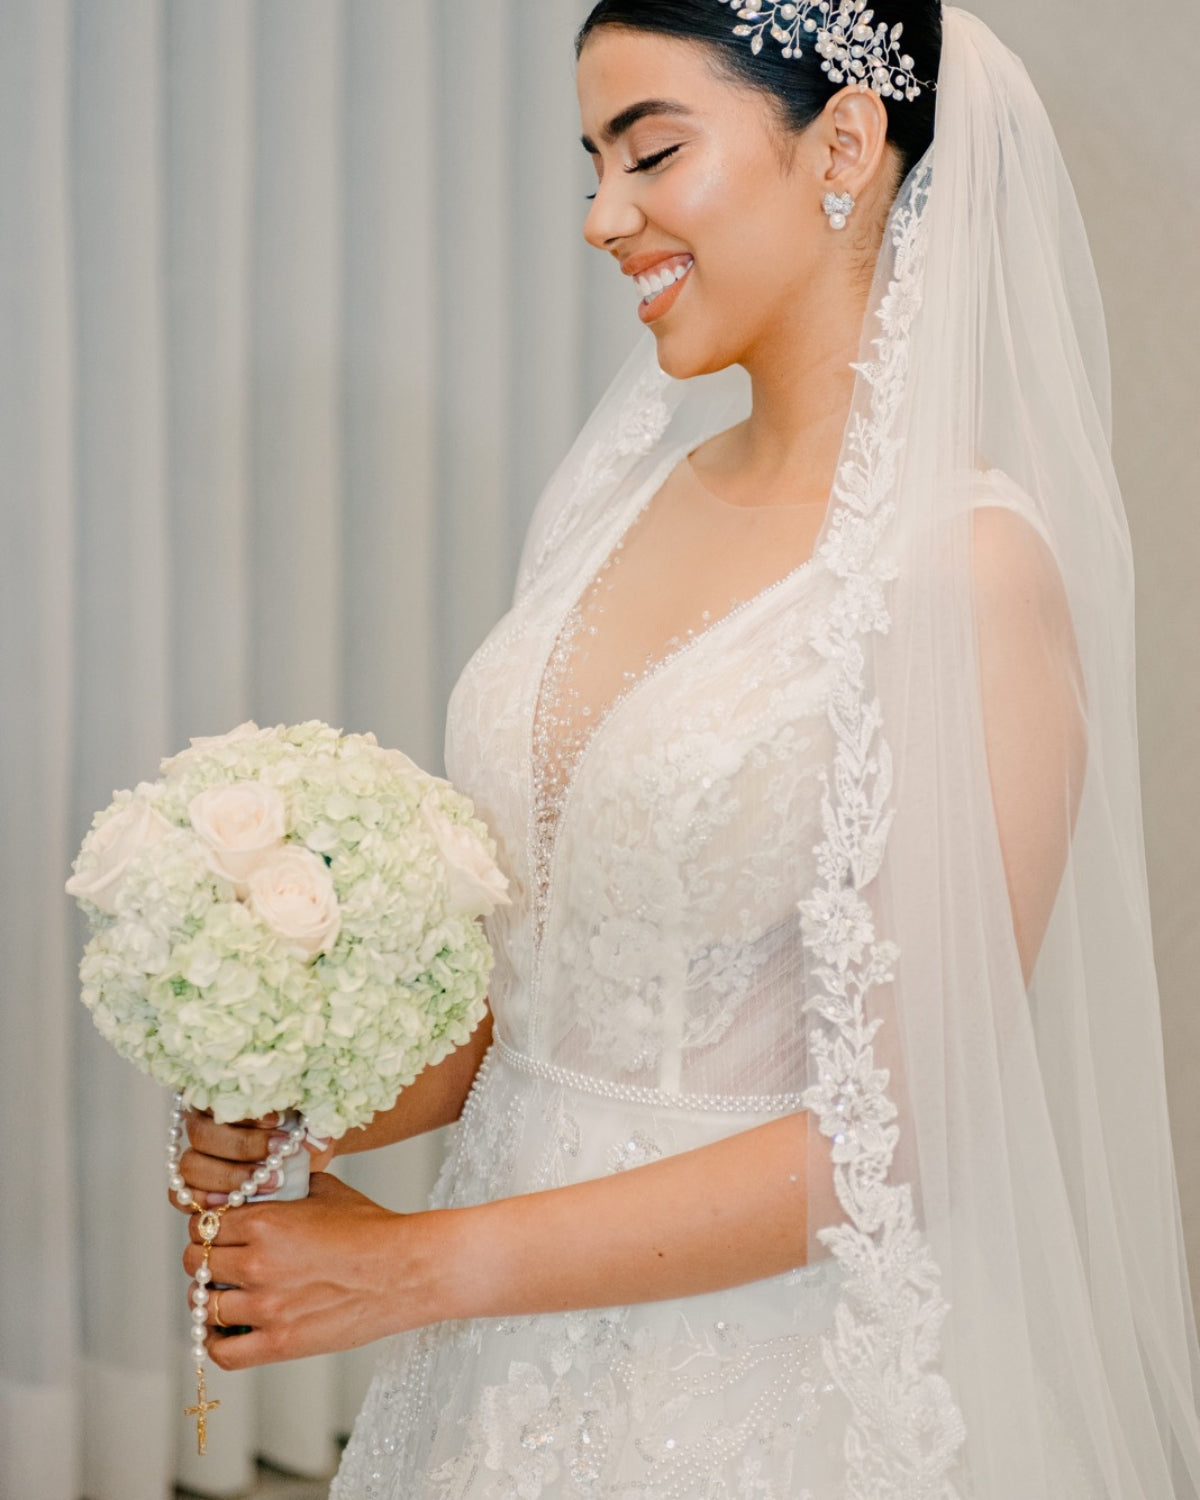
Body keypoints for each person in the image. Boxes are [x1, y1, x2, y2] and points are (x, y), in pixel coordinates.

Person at [175, 3, 1200, 1494]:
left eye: (651, 150)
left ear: (844, 141)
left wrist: (414, 1269)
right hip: (488, 1370)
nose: (603, 216)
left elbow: (883, 1149)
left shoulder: (964, 575)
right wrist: (298, 1097)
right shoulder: (608, 503)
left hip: (757, 1387)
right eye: (590, 162)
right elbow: (548, 984)